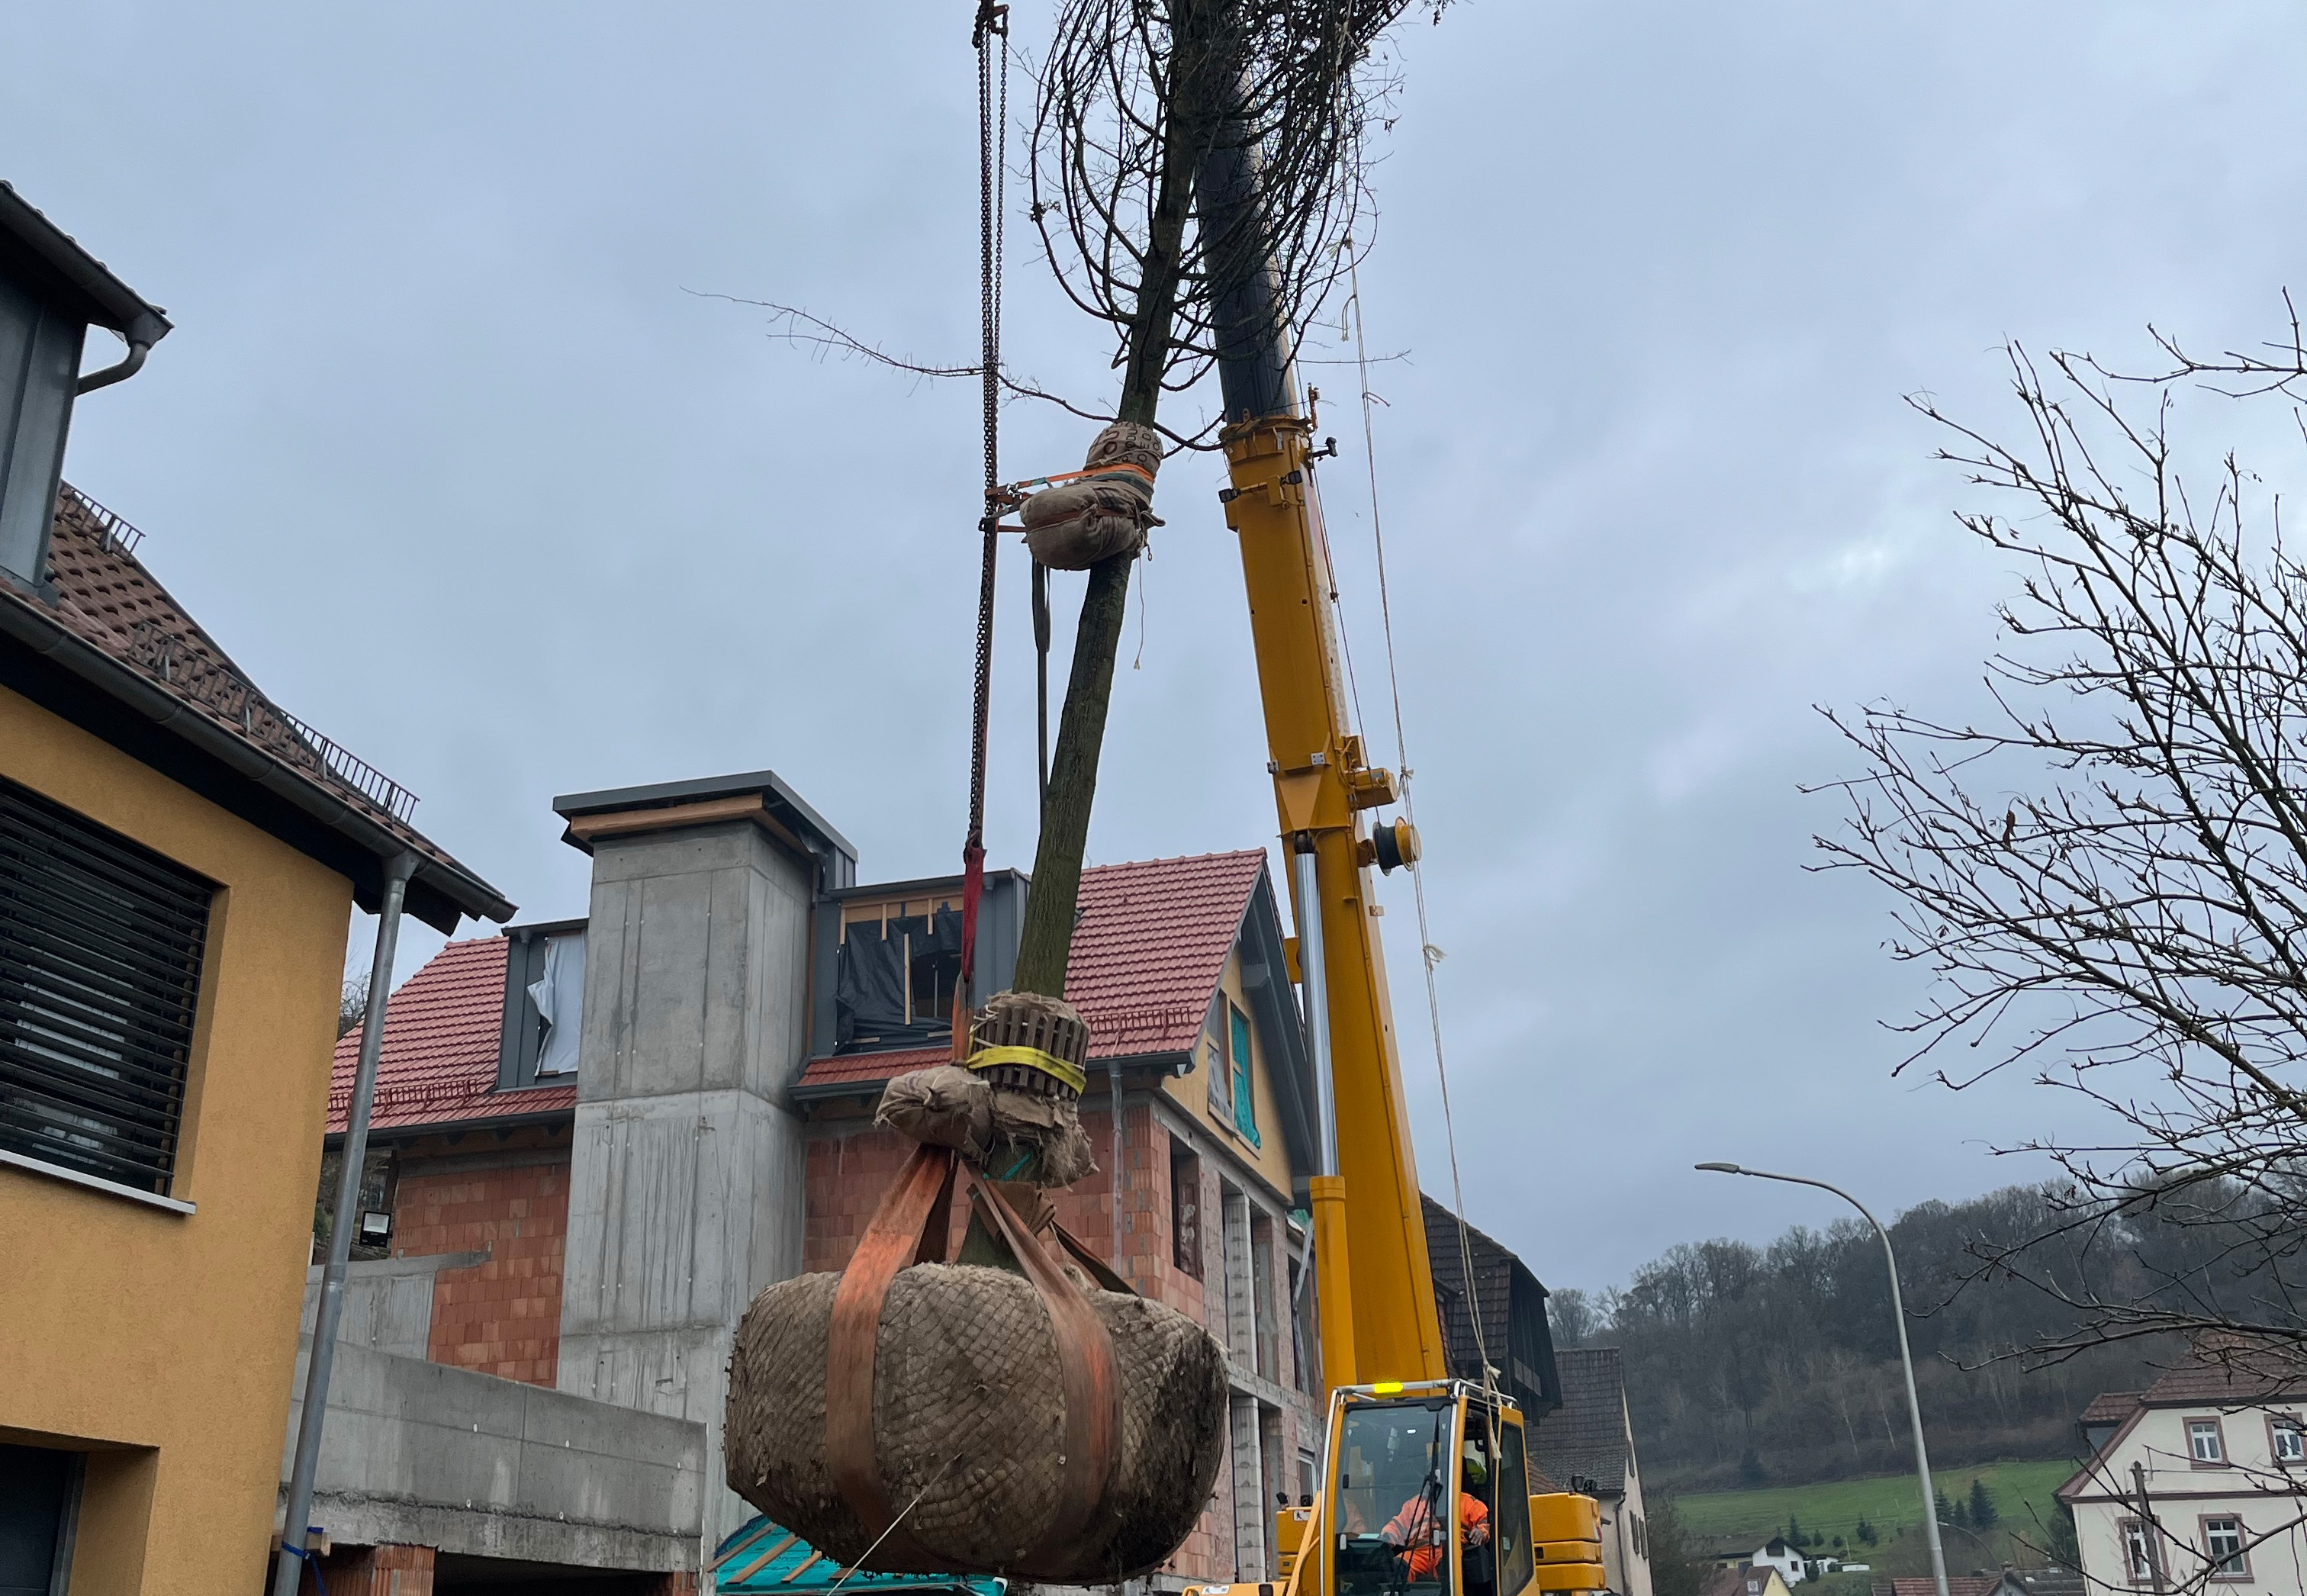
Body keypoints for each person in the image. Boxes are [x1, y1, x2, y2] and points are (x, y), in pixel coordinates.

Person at [1381, 1454, 1491, 1583]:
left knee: (1448, 1569)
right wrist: (1386, 1539)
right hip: (1417, 1553)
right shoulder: (1414, 1504)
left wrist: (1480, 1531)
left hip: (1449, 1550)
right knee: (1397, 1567)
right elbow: (1396, 1526)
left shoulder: (1468, 1502)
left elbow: (1486, 1522)